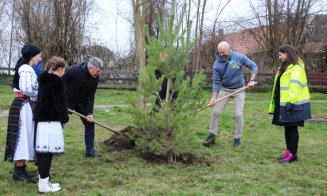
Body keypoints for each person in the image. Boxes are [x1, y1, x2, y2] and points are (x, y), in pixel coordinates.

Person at [203, 41, 258, 147]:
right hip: (225, 89)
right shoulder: (217, 64)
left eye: (223, 52)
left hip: (239, 90)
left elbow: (254, 66)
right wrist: (213, 98)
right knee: (215, 112)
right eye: (219, 52)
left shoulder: (239, 57)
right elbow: (216, 82)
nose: (221, 54)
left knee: (238, 114)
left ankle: (237, 138)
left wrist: (252, 80)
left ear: (229, 50)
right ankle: (211, 135)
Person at [4, 44, 41, 183]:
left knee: (23, 137)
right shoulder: (26, 68)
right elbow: (26, 89)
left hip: (24, 105)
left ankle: (20, 169)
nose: (40, 57)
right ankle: (19, 172)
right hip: (22, 106)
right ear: (32, 56)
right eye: (39, 54)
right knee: (21, 138)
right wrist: (41, 93)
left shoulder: (27, 68)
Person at [268, 44, 311, 163]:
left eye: (280, 55)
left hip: (293, 104)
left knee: (292, 128)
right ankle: (289, 151)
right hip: (285, 104)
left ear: (287, 53)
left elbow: (295, 85)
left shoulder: (296, 67)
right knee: (288, 128)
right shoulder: (286, 67)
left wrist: (291, 102)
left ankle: (293, 154)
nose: (279, 57)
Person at [33, 56, 68, 193]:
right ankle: (43, 185)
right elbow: (60, 102)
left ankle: (44, 182)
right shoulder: (56, 81)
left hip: (41, 120)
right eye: (63, 69)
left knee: (42, 152)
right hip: (51, 120)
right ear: (59, 69)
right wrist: (64, 119)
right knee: (47, 152)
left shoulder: (43, 79)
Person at [62, 57, 103, 158]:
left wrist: (89, 113)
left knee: (90, 123)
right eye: (97, 71)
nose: (98, 74)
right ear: (90, 68)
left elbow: (90, 96)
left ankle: (90, 151)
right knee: (59, 123)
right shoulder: (74, 70)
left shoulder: (95, 78)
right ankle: (55, 149)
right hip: (67, 100)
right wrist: (60, 98)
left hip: (81, 103)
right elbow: (59, 79)